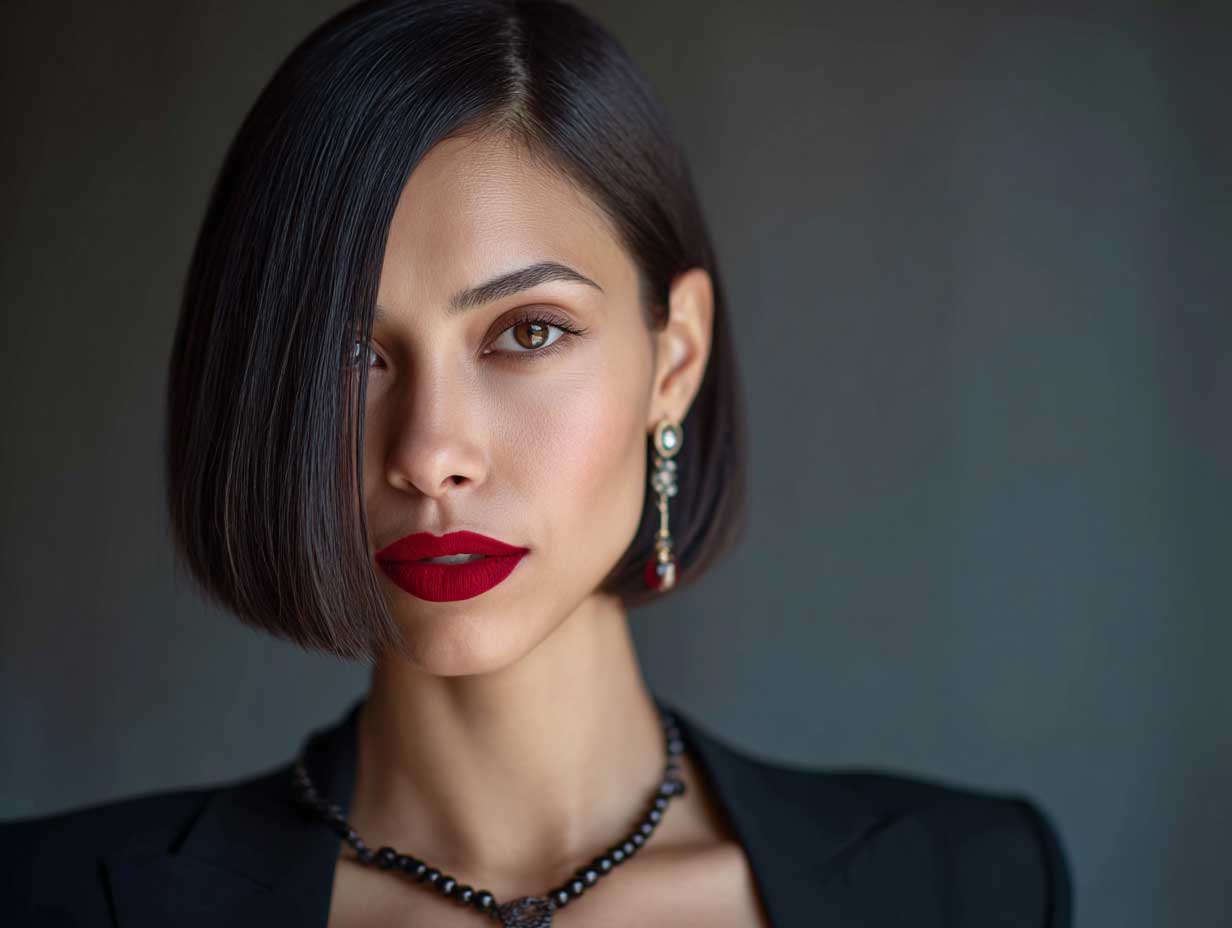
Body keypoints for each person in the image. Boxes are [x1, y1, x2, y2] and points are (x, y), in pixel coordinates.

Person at [0, 0, 1073, 925]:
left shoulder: (967, 885)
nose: (428, 455)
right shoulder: (50, 898)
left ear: (674, 358)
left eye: (526, 332)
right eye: (346, 351)